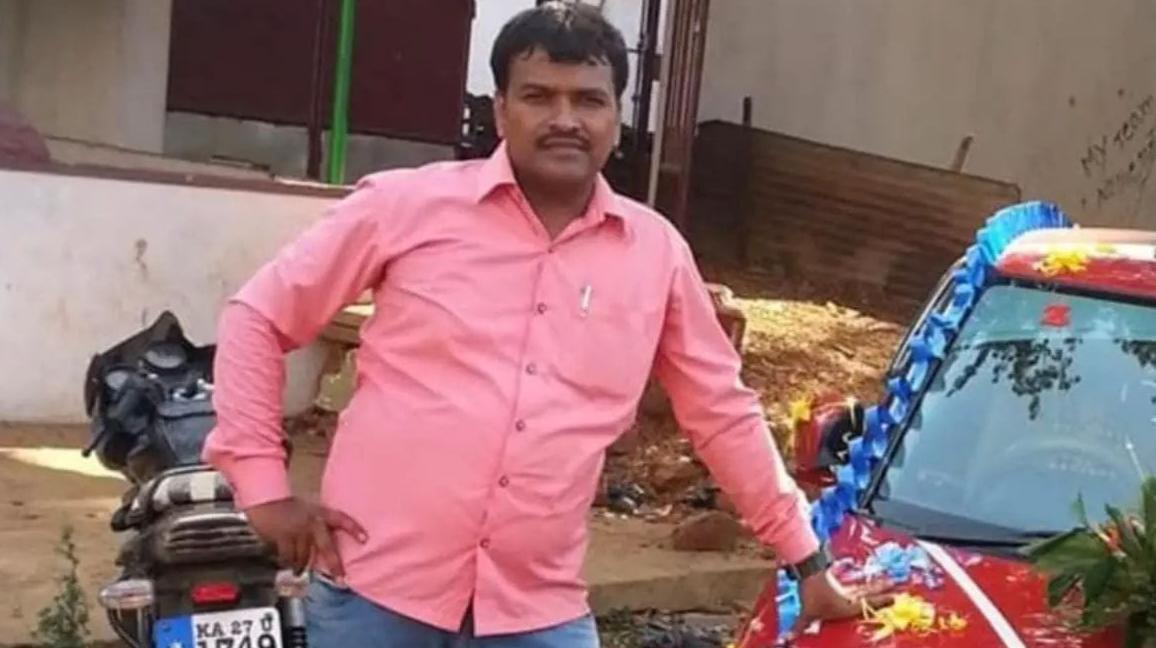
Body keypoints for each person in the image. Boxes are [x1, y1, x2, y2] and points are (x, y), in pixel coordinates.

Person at [203, 3, 884, 646]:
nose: (565, 119)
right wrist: (263, 490)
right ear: (501, 108)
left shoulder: (656, 255)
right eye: (539, 96)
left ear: (617, 117)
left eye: (588, 100)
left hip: (536, 611)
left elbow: (723, 414)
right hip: (373, 597)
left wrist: (806, 561)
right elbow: (258, 318)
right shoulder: (406, 207)